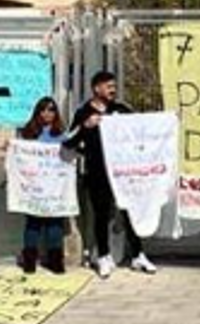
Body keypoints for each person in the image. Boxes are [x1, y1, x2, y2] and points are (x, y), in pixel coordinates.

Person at [64, 70, 157, 279]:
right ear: (96, 88)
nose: (113, 90)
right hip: (97, 174)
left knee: (129, 213)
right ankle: (104, 256)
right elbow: (68, 141)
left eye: (114, 86)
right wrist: (85, 127)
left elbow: (141, 129)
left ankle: (138, 255)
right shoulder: (83, 113)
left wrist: (168, 121)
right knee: (101, 215)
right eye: (108, 86)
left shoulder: (121, 110)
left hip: (123, 174)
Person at [14, 96, 68, 274]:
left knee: (55, 223)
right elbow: (19, 153)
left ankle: (55, 261)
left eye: (51, 109)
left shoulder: (61, 134)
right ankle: (29, 260)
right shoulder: (28, 132)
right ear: (37, 112)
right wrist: (10, 147)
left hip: (54, 188)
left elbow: (68, 154)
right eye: (43, 109)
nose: (47, 113)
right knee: (33, 223)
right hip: (34, 187)